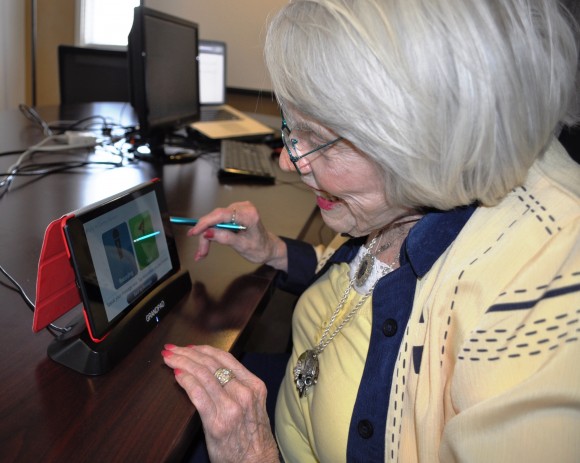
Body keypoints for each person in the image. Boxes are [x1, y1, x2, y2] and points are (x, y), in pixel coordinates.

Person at [161, 0, 580, 461]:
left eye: (316, 139)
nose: (287, 160)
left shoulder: (548, 296)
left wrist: (254, 453)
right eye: (290, 130)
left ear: (426, 139)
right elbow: (358, 276)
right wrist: (274, 251)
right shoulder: (402, 202)